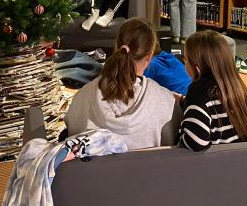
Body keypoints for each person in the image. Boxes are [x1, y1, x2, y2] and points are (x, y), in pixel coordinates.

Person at [65, 18, 180, 150]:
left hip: (95, 170)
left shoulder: (83, 96)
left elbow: (71, 129)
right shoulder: (165, 101)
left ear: (117, 47)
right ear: (149, 56)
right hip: (148, 170)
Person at [179, 30, 247, 151]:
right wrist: (184, 101)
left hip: (219, 166)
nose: (184, 63)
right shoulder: (236, 86)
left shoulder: (199, 89)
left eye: (185, 60)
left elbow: (196, 143)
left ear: (197, 68)